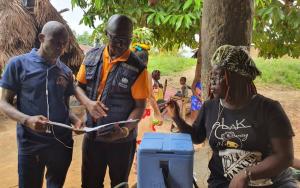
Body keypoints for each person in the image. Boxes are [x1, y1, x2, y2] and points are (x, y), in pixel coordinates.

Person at [166, 45, 297, 188]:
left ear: (238, 78)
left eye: (218, 76)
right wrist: (176, 117)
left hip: (271, 182)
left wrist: (246, 174)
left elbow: (285, 157)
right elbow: (197, 137)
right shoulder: (210, 107)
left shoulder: (269, 109)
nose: (212, 82)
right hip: (224, 182)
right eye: (212, 76)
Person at [0, 21, 83, 188]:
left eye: (63, 44)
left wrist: (75, 121)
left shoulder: (66, 72)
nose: (60, 48)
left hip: (61, 143)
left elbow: (64, 107)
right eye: (55, 42)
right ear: (42, 38)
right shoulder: (18, 65)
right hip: (31, 144)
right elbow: (3, 102)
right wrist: (27, 120)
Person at [75, 14, 149, 188]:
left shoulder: (138, 68)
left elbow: (139, 107)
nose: (122, 45)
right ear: (107, 34)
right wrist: (88, 103)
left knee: (119, 184)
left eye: (126, 40)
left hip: (122, 142)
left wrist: (124, 130)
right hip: (92, 137)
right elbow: (77, 87)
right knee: (90, 183)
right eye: (116, 39)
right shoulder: (91, 57)